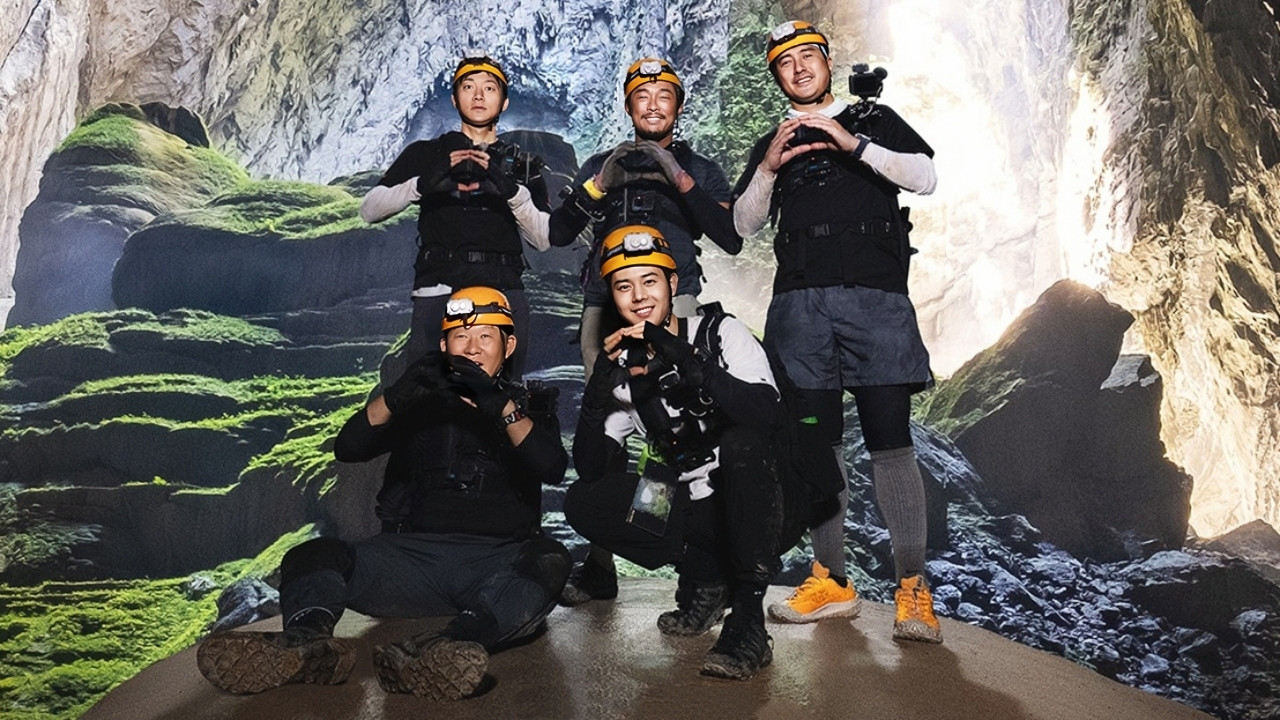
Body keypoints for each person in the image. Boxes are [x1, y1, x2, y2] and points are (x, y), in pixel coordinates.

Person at [196, 287, 571, 700]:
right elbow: (349, 447)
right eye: (461, 337)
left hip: (494, 563)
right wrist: (396, 396)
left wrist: (499, 406)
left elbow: (551, 466)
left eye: (486, 336)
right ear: (444, 345)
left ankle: (442, 647)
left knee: (550, 560)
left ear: (508, 345)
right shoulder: (418, 402)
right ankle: (308, 643)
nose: (474, 348)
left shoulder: (527, 407)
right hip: (410, 562)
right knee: (312, 554)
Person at [732, 20, 943, 643]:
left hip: (875, 298)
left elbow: (925, 177)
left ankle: (912, 588)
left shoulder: (872, 120)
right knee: (816, 446)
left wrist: (850, 143)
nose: (798, 68)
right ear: (776, 77)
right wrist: (769, 166)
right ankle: (831, 578)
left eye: (807, 57)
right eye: (785, 63)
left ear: (827, 61)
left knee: (889, 441)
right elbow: (744, 225)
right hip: (800, 305)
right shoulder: (774, 138)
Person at [549, 57, 741, 604]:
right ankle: (601, 559)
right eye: (642, 96)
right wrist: (599, 182)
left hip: (672, 302)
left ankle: (694, 560)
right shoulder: (600, 163)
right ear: (628, 105)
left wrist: (674, 174)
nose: (653, 104)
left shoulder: (701, 169)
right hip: (603, 305)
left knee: (672, 420)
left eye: (664, 95)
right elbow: (562, 231)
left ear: (678, 105)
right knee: (606, 422)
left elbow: (728, 236)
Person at [562, 225, 785, 679]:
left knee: (743, 443)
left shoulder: (721, 333)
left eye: (650, 282)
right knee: (586, 500)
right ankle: (706, 577)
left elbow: (766, 414)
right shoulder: (625, 372)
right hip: (694, 503)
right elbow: (589, 468)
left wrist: (680, 353)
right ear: (613, 295)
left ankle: (748, 619)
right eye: (624, 286)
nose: (639, 296)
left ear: (673, 285)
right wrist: (599, 385)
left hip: (764, 498)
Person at [360, 54, 552, 382]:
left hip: (503, 286)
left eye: (489, 88)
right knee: (429, 398)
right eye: (468, 87)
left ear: (504, 102)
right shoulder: (424, 153)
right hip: (438, 287)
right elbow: (370, 209)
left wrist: (511, 191)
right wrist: (422, 183)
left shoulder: (522, 164)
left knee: (502, 397)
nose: (478, 96)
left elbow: (543, 239)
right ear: (454, 98)